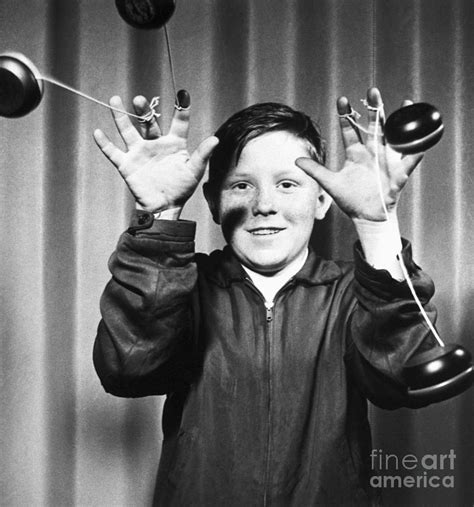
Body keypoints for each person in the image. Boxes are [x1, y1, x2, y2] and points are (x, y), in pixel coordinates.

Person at [92, 88, 438, 506]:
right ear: (214, 202)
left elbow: (403, 378)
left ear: (324, 198)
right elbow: (127, 368)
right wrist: (163, 217)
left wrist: (375, 224)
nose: (264, 205)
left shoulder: (352, 296)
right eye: (241, 185)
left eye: (288, 183)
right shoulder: (184, 287)